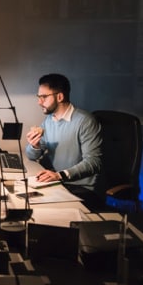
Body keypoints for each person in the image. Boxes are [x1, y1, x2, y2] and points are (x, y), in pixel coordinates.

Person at [25, 73, 104, 208]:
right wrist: (35, 146)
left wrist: (60, 175)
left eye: (43, 97)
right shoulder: (50, 120)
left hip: (80, 189)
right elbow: (31, 156)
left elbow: (94, 162)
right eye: (38, 97)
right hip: (57, 183)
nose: (39, 102)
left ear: (60, 96)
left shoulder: (85, 121)